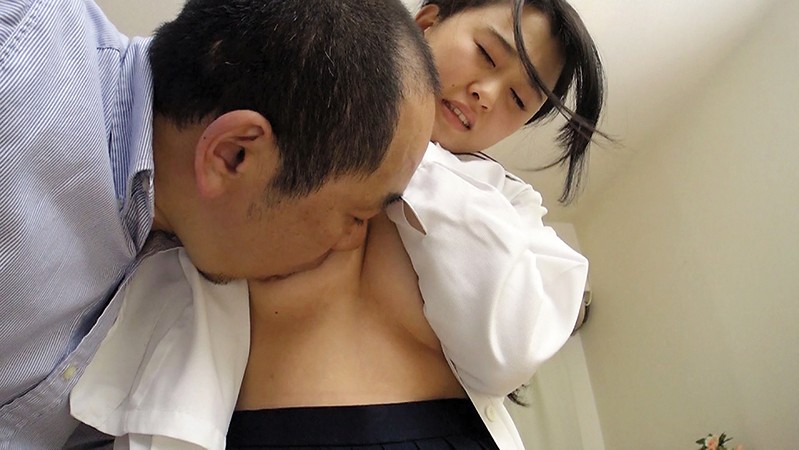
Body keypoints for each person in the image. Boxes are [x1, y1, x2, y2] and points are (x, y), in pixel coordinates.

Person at [69, 0, 606, 448]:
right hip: (244, 426)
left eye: (518, 99)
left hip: (440, 431)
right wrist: (375, 119)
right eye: (487, 54)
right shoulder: (290, 99)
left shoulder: (509, 210)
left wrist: (407, 152)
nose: (486, 94)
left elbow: (511, 348)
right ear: (426, 23)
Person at [0, 0, 438, 446]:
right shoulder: (16, 69)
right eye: (356, 216)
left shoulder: (188, 249)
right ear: (234, 155)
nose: (354, 241)